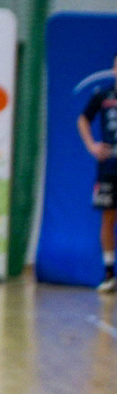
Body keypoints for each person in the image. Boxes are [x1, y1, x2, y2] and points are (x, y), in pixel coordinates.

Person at [78, 52, 117, 292]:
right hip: (109, 167)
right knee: (108, 216)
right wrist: (92, 145)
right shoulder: (103, 95)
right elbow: (83, 119)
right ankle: (109, 273)